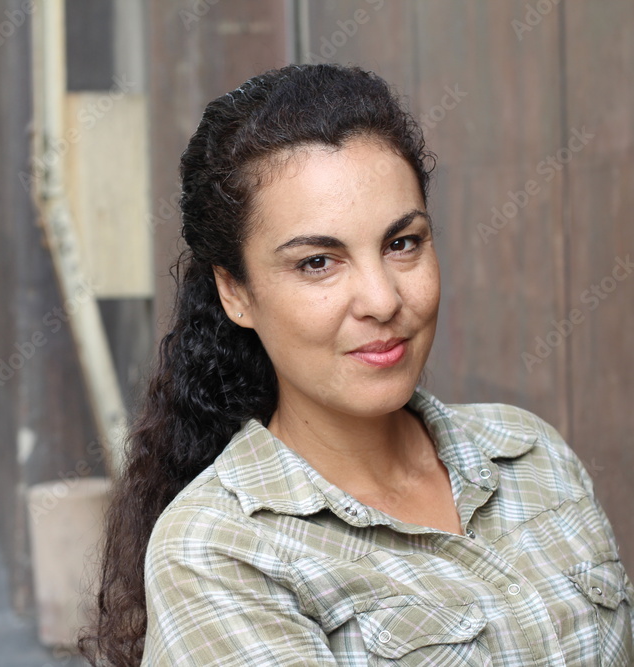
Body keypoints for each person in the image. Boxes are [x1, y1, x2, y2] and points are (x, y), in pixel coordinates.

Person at [78, 64, 633, 666]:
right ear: (235, 291)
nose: (383, 300)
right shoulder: (220, 551)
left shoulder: (531, 454)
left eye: (403, 243)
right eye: (318, 261)